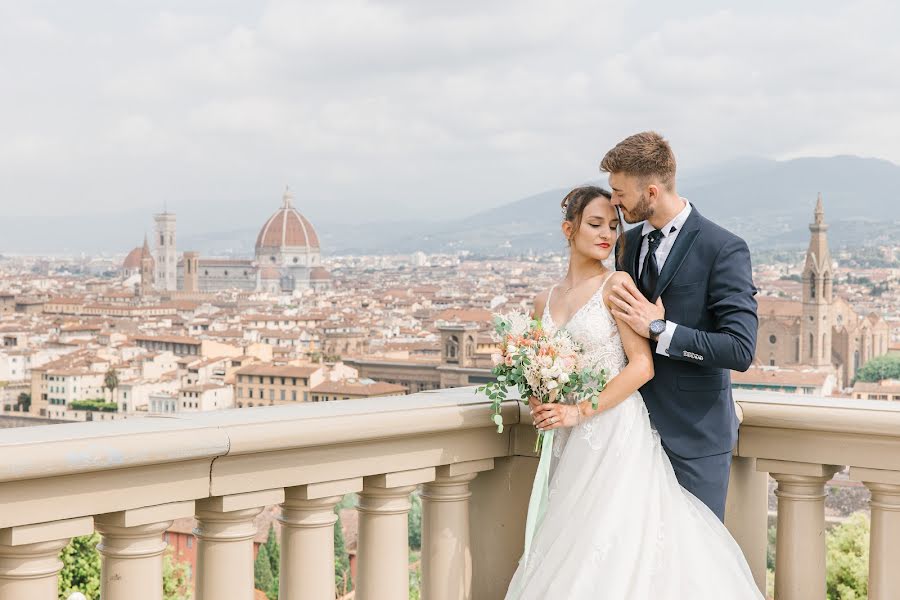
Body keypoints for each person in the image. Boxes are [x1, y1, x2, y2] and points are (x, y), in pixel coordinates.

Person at [503, 184, 762, 599]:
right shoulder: (543, 300)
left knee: (619, 546)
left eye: (613, 224)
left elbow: (641, 366)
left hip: (613, 432)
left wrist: (578, 411)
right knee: (570, 541)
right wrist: (541, 392)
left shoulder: (618, 283)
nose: (608, 233)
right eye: (595, 224)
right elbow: (542, 362)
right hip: (567, 442)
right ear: (568, 228)